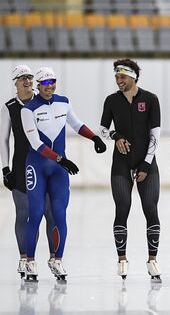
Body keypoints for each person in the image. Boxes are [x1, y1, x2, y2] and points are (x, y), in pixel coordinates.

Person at [20, 66, 106, 282]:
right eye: (45, 84)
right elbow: (35, 143)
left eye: (53, 83)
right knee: (37, 213)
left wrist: (94, 138)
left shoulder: (63, 102)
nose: (50, 87)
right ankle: (30, 260)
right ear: (38, 86)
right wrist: (61, 159)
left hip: (59, 169)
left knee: (59, 214)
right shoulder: (28, 109)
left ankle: (57, 260)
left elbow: (76, 124)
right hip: (38, 165)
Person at [100, 58, 162, 282]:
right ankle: (122, 259)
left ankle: (152, 260)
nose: (118, 80)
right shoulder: (111, 101)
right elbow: (103, 130)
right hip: (121, 163)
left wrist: (146, 163)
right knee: (122, 208)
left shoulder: (150, 99)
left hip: (147, 163)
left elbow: (155, 135)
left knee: (150, 209)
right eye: (116, 77)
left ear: (133, 77)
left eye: (122, 77)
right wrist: (116, 136)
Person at [0, 65, 55, 278]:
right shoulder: (9, 108)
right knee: (24, 214)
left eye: (30, 78)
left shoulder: (42, 102)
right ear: (15, 82)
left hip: (46, 167)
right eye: (22, 78)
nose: (27, 82)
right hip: (21, 168)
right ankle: (24, 259)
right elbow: (3, 140)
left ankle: (54, 259)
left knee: (50, 213)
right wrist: (5, 169)